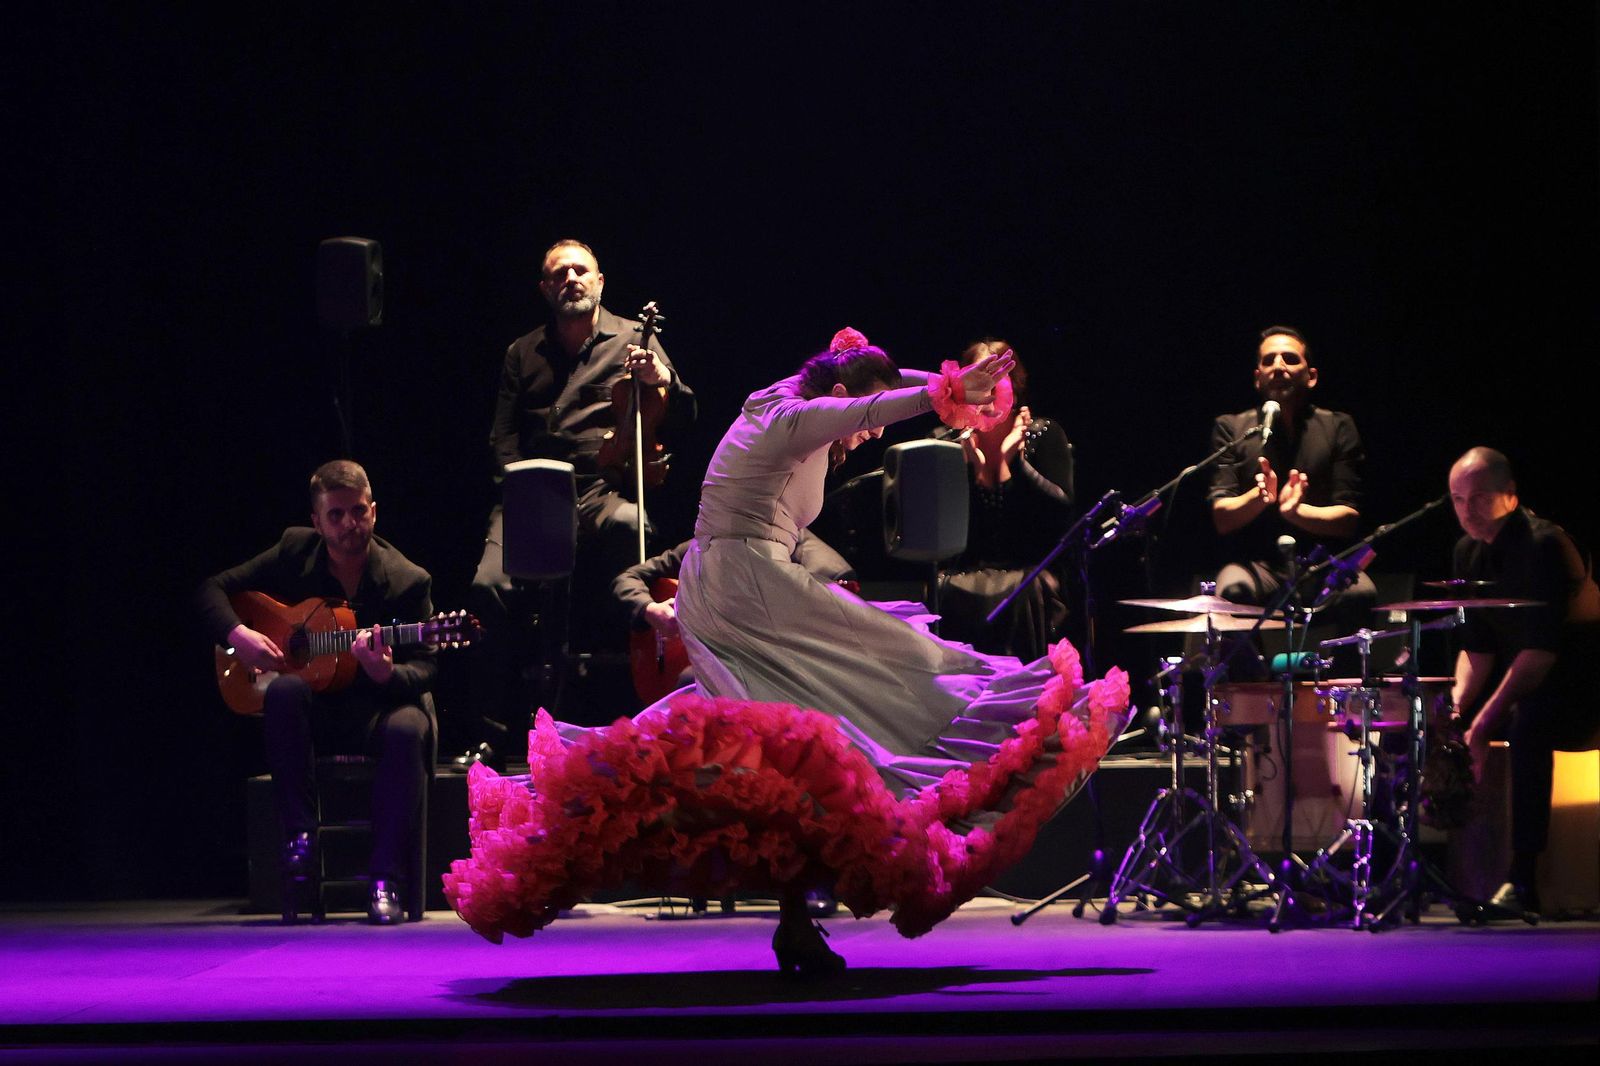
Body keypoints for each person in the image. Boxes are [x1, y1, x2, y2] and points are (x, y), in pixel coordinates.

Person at [443, 329, 1132, 976]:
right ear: (842, 402)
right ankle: (1014, 719)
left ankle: (796, 917)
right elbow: (869, 400)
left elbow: (862, 387)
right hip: (748, 583)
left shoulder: (784, 399)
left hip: (734, 583)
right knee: (897, 663)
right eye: (864, 424)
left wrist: (954, 382)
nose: (865, 438)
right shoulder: (791, 420)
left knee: (789, 748)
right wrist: (941, 394)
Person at [468, 239, 696, 752]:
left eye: (580, 270)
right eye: (559, 273)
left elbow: (684, 414)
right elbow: (500, 439)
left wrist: (661, 378)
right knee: (487, 585)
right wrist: (518, 491)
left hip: (599, 487)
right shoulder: (522, 352)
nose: (571, 278)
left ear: (599, 281)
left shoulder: (636, 339)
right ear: (546, 288)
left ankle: (633, 701)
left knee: (630, 527)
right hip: (532, 492)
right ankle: (496, 731)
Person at [197, 460, 436, 924]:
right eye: (337, 515)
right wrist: (238, 636)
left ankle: (386, 880)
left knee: (411, 727)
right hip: (312, 717)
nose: (350, 524)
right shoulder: (293, 550)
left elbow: (429, 666)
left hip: (373, 715)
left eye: (359, 511)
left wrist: (388, 675)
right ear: (317, 521)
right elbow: (211, 589)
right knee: (284, 691)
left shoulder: (409, 579)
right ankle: (301, 845)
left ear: (374, 511)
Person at [1448, 447, 1600, 914]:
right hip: (1534, 680)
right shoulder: (1467, 552)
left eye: (1477, 498)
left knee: (1526, 723)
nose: (1466, 510)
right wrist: (1454, 713)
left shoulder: (1544, 545)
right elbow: (1477, 649)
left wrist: (1483, 723)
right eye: (1457, 499)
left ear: (1511, 498)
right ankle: (1435, 867)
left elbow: (1539, 654)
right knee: (1437, 723)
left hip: (1582, 685)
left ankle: (1523, 879)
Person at [1208, 325, 1372, 612]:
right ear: (1257, 378)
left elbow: (1349, 519)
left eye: (1290, 359)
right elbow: (1222, 518)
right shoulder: (1232, 428)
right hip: (1257, 566)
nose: (1278, 367)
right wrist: (1259, 499)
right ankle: (1255, 660)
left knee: (1360, 593)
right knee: (1233, 591)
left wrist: (1296, 512)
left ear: (1312, 377)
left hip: (1323, 565)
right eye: (1268, 360)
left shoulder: (1338, 426)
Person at [935, 338, 1075, 661]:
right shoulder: (944, 443)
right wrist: (971, 470)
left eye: (996, 378)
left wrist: (1015, 463)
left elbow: (1060, 516)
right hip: (961, 577)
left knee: (1024, 590)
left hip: (1030, 577)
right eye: (978, 379)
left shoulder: (1043, 434)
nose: (987, 390)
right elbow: (942, 534)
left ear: (1014, 386)